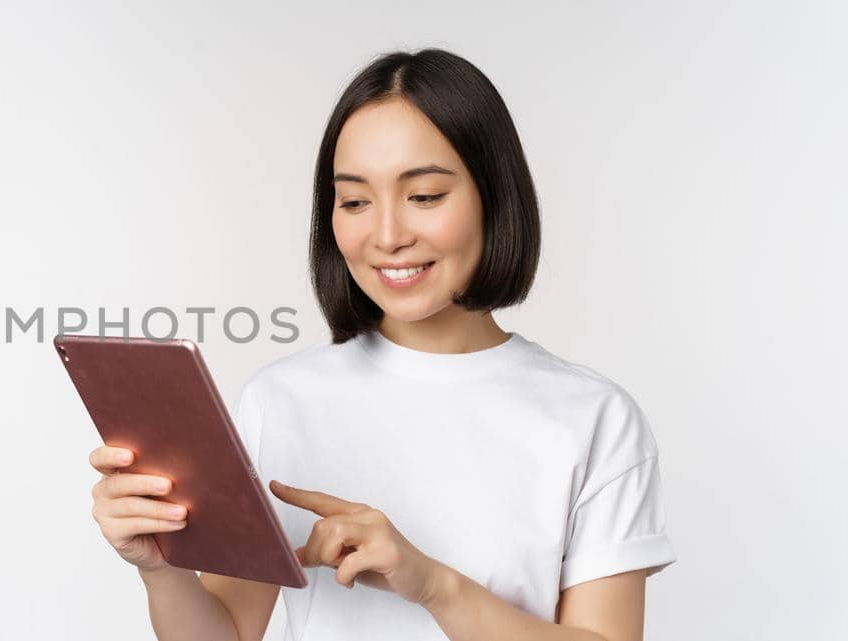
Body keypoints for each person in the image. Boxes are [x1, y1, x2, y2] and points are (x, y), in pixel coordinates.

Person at [86, 48, 677, 641]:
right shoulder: (280, 400)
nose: (388, 236)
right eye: (355, 201)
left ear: (494, 197)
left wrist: (431, 584)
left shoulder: (593, 417)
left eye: (424, 196)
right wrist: (160, 571)